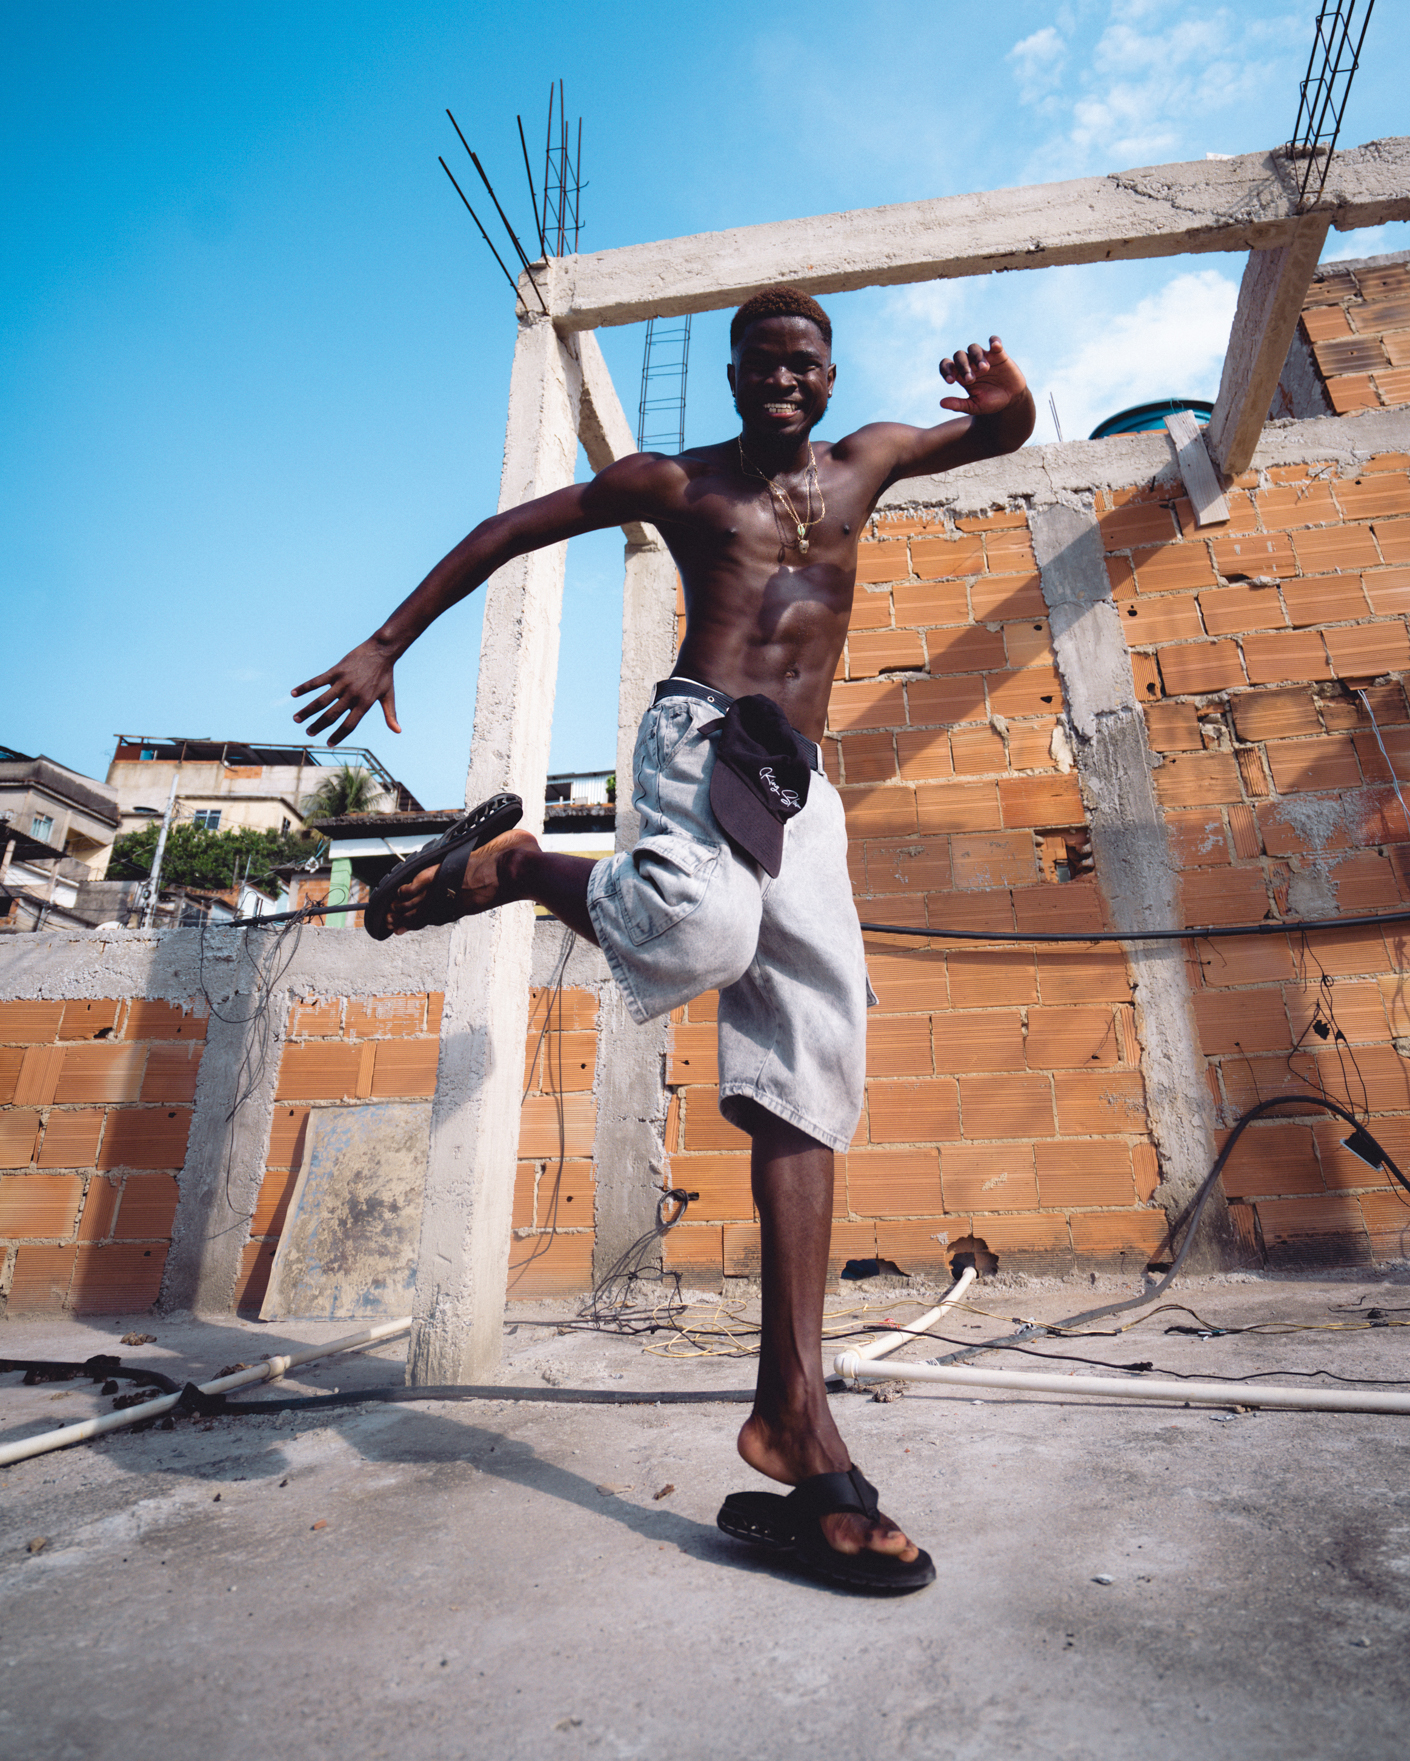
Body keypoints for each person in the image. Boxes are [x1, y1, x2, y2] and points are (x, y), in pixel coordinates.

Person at [293, 288, 1034, 1593]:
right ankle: (515, 864)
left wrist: (1005, 399)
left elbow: (999, 436)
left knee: (814, 1072)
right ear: (738, 376)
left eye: (805, 365)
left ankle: (791, 1415)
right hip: (701, 740)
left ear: (828, 371)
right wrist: (386, 641)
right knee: (698, 927)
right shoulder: (680, 485)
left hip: (797, 786)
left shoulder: (866, 461)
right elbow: (513, 528)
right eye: (764, 368)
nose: (786, 385)